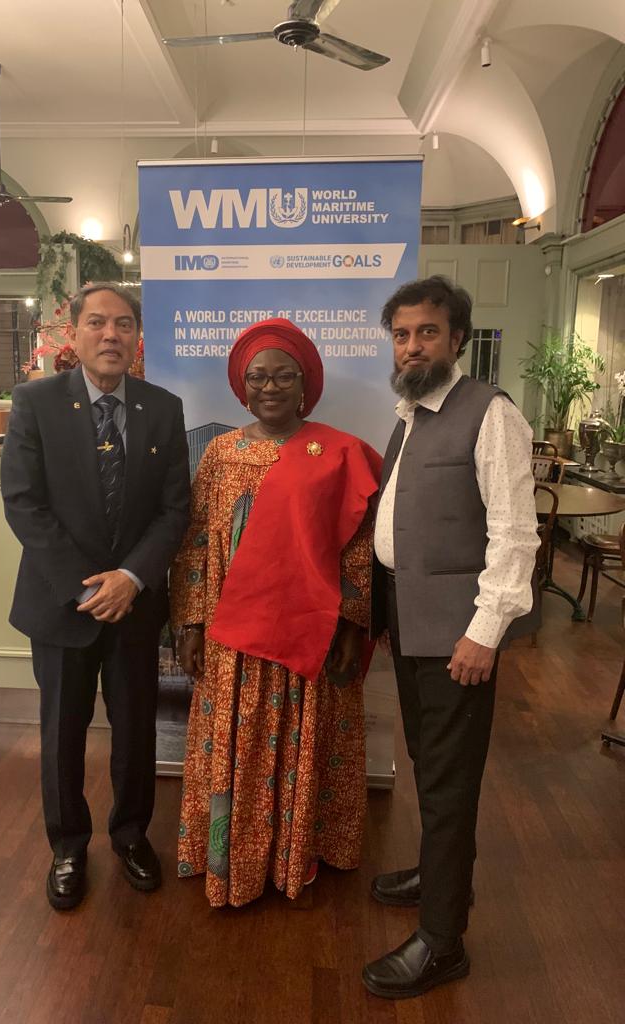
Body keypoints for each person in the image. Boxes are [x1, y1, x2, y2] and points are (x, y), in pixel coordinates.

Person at [361, 276, 539, 999]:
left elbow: (515, 535)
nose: (412, 346)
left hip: (458, 635)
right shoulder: (410, 412)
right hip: (411, 622)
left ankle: (442, 942)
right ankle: (442, 880)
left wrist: (484, 632)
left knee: (448, 779)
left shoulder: (489, 414)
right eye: (402, 334)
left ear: (457, 338)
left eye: (427, 332)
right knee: (431, 767)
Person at [171, 317, 383, 908]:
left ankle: (294, 853)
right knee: (230, 740)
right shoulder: (219, 455)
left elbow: (358, 545)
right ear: (241, 386)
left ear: (304, 383)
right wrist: (189, 622)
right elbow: (194, 542)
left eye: (283, 375)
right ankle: (229, 855)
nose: (270, 387)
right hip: (231, 634)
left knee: (301, 739)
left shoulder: (338, 453)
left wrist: (351, 622)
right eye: (257, 377)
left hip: (303, 634)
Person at [1, 282, 190, 909]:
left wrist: (130, 579)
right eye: (98, 323)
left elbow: (174, 510)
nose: (112, 335)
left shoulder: (164, 407)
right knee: (62, 732)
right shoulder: (34, 403)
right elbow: (24, 504)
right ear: (74, 333)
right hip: (62, 604)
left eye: (125, 324)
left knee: (137, 729)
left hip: (134, 606)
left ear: (138, 338)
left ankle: (132, 836)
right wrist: (90, 586)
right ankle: (68, 846)